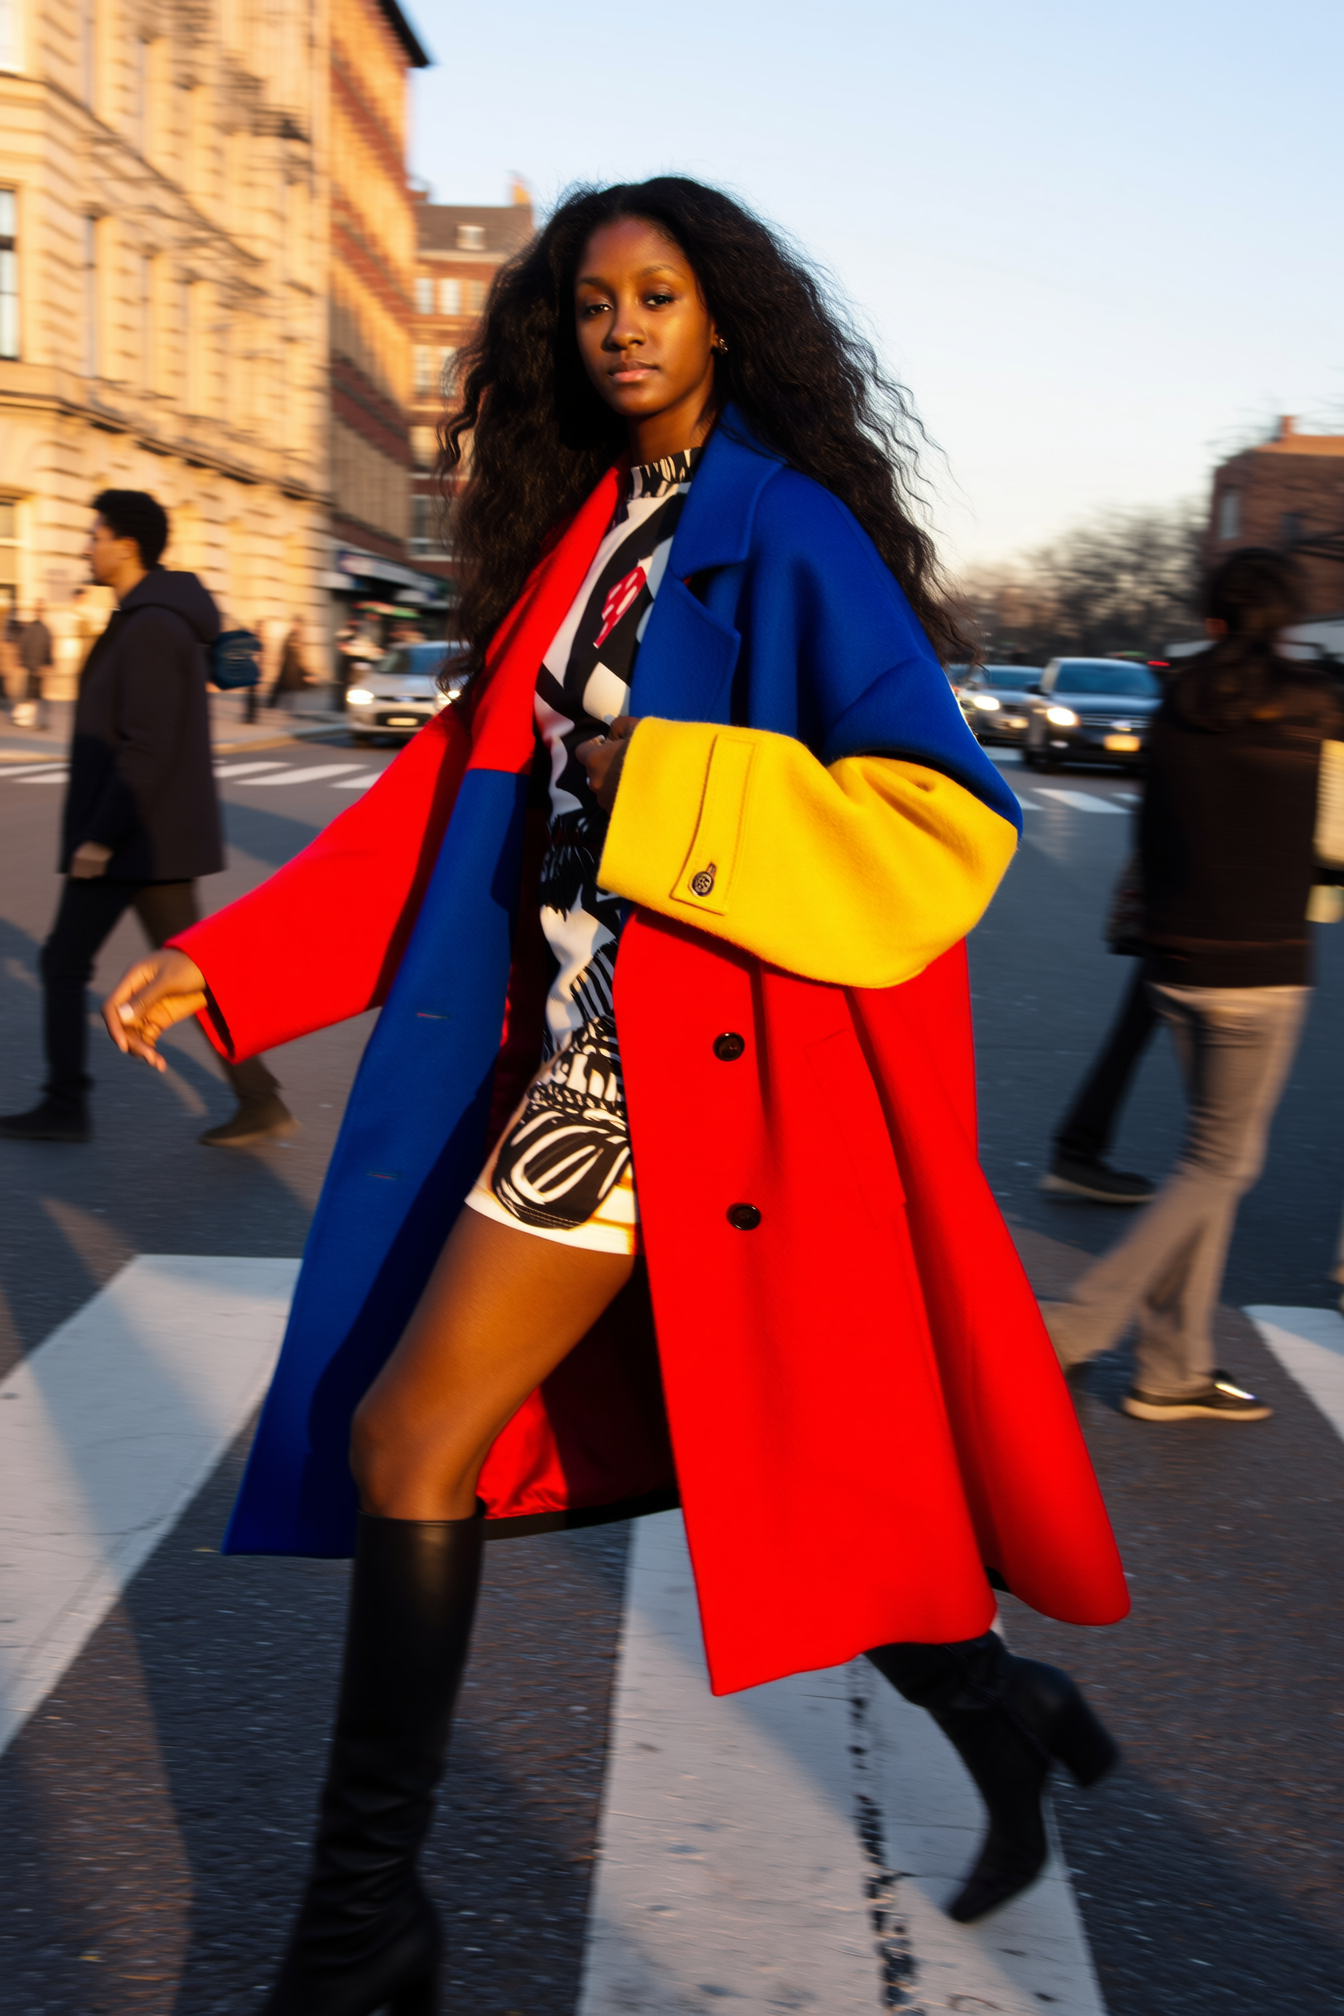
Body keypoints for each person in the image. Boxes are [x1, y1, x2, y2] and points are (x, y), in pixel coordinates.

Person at [103, 182, 1126, 2013]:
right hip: (576, 1050)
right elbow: (444, 802)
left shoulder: (782, 537)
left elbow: (936, 816)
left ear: (718, 319)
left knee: (414, 1442)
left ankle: (358, 1938)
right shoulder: (584, 539)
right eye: (589, 303)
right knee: (795, 1458)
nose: (621, 327)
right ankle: (1004, 1708)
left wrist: (659, 774)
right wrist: (237, 961)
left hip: (687, 1077)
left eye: (656, 295)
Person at [1041, 548, 1343, 1419]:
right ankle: (1078, 1326)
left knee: (1202, 1161)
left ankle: (1173, 1367)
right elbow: (1336, 841)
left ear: (1213, 620)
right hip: (1265, 966)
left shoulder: (1172, 697)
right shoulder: (1322, 704)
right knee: (1221, 1162)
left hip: (1173, 963)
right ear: (1284, 620)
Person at [0, 491, 294, 1148]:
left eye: (94, 533)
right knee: (187, 971)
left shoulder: (152, 626)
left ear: (126, 543)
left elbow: (148, 744)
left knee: (62, 962)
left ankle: (64, 1104)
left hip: (135, 837)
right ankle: (259, 1097)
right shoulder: (146, 618)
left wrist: (101, 836)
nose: (86, 545)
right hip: (150, 837)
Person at [16, 598, 54, 730]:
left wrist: (22, 660)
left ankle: (28, 718)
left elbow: (23, 644)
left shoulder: (32, 628)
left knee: (31, 692)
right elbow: (48, 647)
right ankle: (31, 719)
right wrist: (48, 663)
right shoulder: (44, 629)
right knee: (34, 693)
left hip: (33, 664)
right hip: (37, 665)